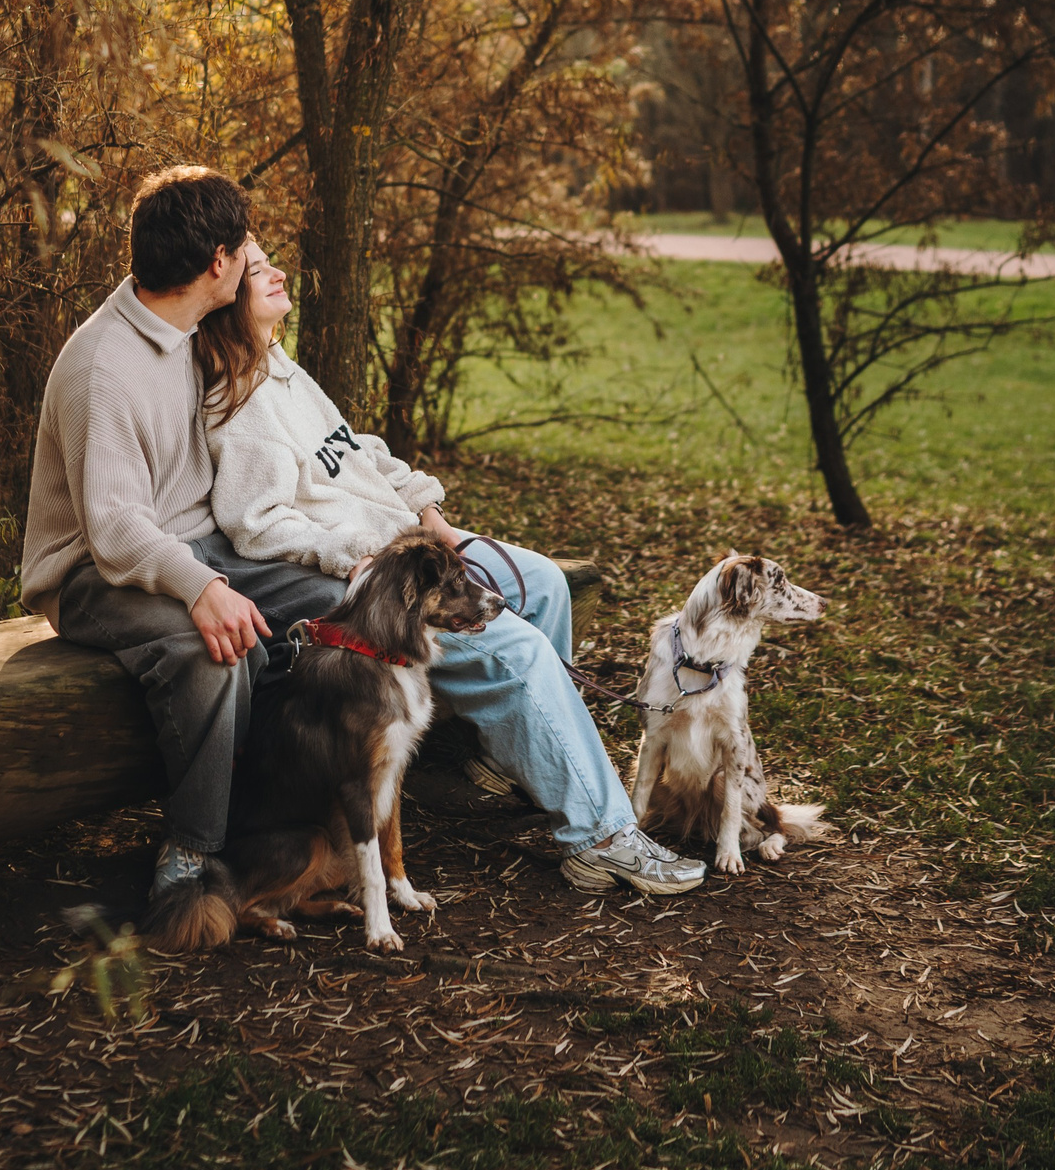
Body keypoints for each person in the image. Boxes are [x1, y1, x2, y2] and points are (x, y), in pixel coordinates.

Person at [193, 238, 705, 898]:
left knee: (546, 584)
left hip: (410, 545)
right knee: (515, 649)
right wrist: (357, 554)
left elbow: (362, 454)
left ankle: (505, 763)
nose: (278, 271)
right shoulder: (237, 404)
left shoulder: (284, 371)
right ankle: (600, 837)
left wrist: (431, 517)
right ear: (227, 293)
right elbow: (254, 523)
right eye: (257, 269)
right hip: (374, 579)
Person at [19, 168, 347, 937]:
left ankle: (284, 838)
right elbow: (114, 530)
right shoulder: (107, 369)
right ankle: (192, 859)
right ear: (217, 264)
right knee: (215, 651)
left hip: (196, 543)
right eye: (245, 254)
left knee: (342, 612)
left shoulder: (187, 326)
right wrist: (202, 588)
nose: (249, 265)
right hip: (89, 573)